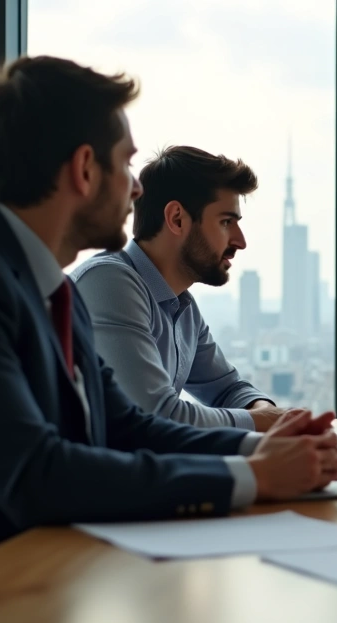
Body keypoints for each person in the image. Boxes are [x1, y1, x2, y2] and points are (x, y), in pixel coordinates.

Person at [0, 56, 337, 579]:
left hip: (55, 577)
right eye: (125, 164)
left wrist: (263, 446)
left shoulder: (55, 290)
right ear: (84, 169)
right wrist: (251, 477)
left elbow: (126, 427)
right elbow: (36, 472)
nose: (137, 187)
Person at [71, 145, 284, 432]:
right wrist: (260, 421)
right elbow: (154, 415)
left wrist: (267, 413)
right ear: (177, 219)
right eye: (226, 222)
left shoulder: (182, 307)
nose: (240, 241)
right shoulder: (108, 282)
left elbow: (227, 389)